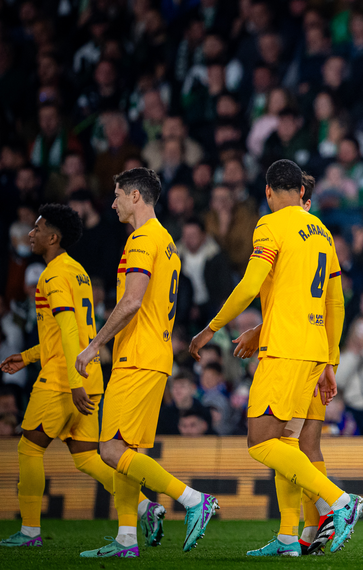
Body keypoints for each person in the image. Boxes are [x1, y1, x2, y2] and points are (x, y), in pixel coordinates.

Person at [189, 160, 363, 557]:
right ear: (302, 191)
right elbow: (334, 300)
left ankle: (338, 502)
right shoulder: (322, 230)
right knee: (289, 442)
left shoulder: (270, 225)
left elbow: (252, 283)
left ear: (268, 192)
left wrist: (212, 327)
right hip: (313, 347)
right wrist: (330, 359)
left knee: (260, 441)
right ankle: (290, 537)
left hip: (285, 350)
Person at [75, 168, 217, 558]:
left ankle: (191, 500)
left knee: (109, 451)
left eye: (118, 194)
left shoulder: (141, 239)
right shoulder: (166, 241)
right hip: (155, 356)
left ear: (136, 196)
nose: (113, 202)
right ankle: (125, 539)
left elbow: (133, 300)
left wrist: (93, 346)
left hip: (136, 356)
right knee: (125, 452)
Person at [0, 205, 153, 548]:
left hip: (64, 380)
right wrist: (27, 356)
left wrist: (73, 383)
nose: (30, 234)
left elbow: (70, 334)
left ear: (53, 238)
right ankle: (144, 506)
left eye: (37, 229)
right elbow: (69, 334)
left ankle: (29, 532)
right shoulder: (78, 272)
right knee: (86, 457)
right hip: (89, 375)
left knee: (28, 449)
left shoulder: (51, 275)